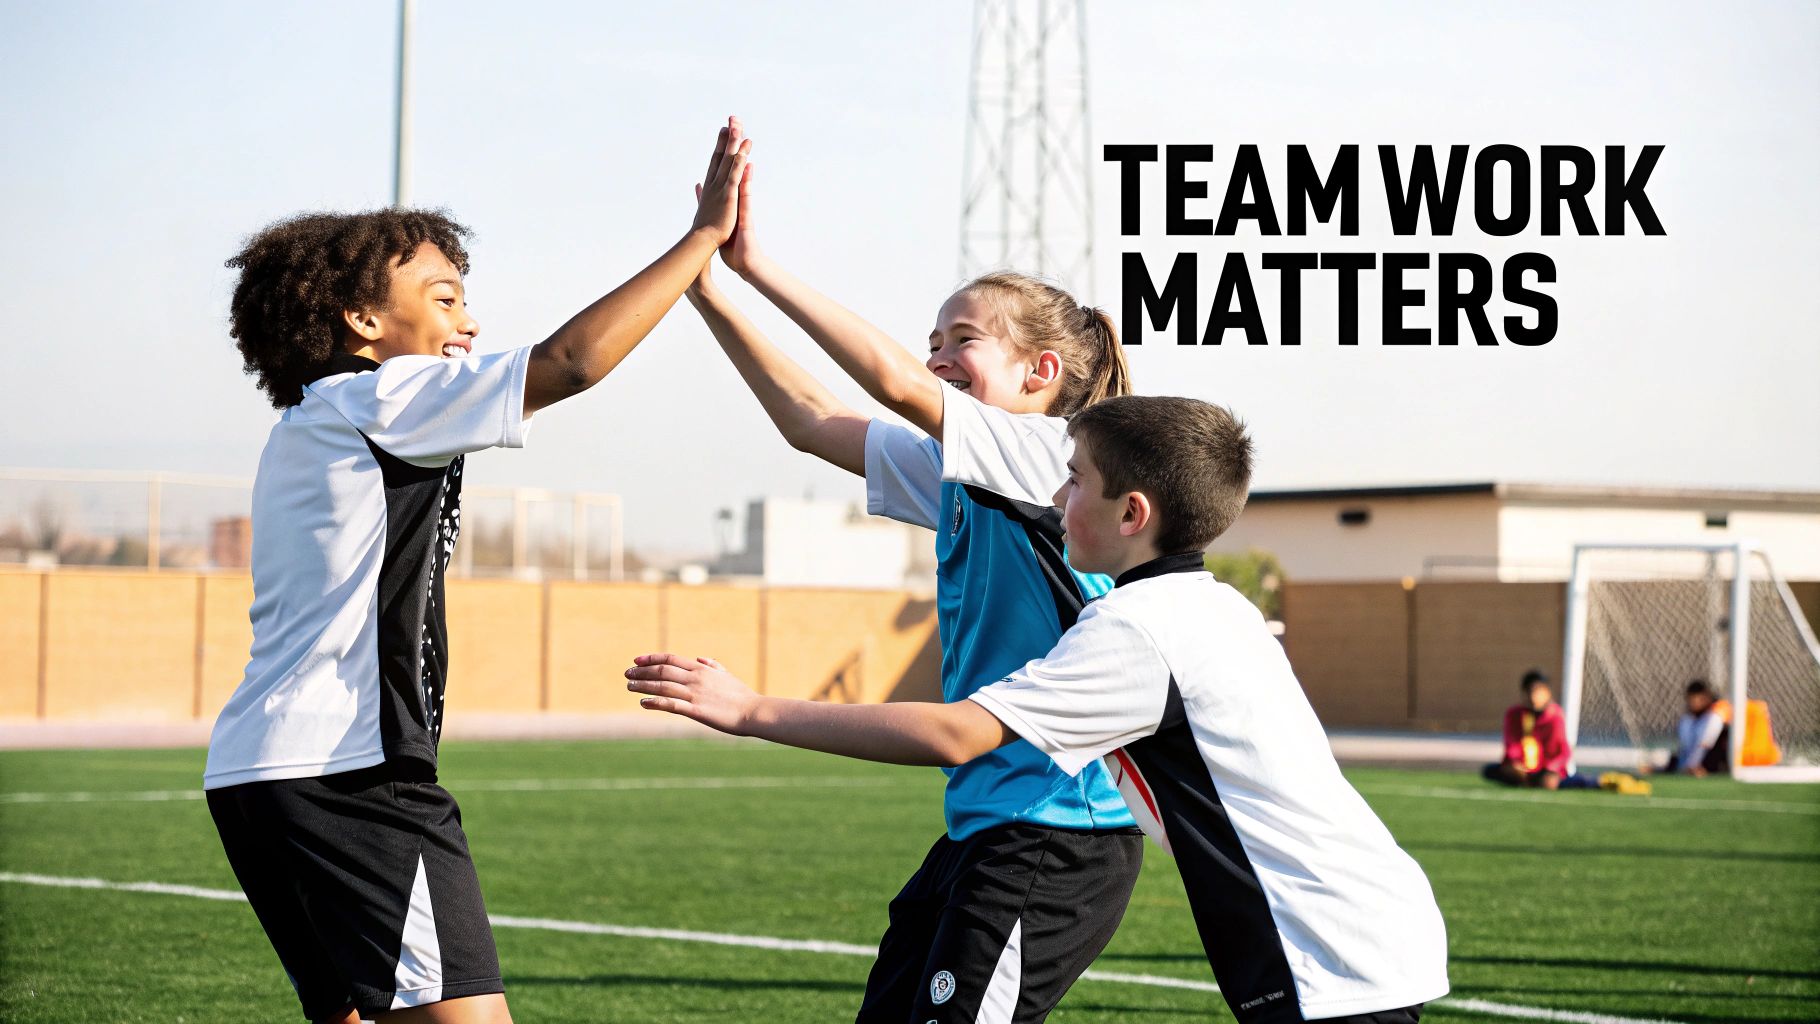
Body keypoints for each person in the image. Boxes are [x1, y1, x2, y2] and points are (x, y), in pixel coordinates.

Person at [628, 395, 1450, 1024]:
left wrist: (751, 710)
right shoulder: (1208, 603)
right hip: (1359, 928)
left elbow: (958, 734)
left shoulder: (1139, 629)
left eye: (1077, 479)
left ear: (1133, 514)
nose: (1057, 494)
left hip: (1322, 948)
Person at [202, 121, 750, 1024]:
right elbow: (571, 365)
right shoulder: (379, 394)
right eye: (446, 297)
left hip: (258, 776)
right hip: (350, 774)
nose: (470, 322)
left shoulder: (312, 421)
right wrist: (700, 242)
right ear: (363, 323)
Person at [681, 121, 1142, 1022]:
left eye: (960, 339)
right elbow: (812, 419)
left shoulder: (1048, 455)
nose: (935, 356)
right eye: (932, 338)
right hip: (986, 825)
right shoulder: (966, 467)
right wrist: (704, 287)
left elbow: (891, 383)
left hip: (1057, 832)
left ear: (1041, 372)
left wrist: (756, 264)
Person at [1483, 670, 1573, 788]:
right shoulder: (1515, 714)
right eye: (1530, 691)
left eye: (1538, 691)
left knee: (1549, 782)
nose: (1533, 696)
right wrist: (1516, 762)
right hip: (1523, 768)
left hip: (1546, 769)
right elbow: (1512, 743)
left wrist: (1550, 768)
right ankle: (1527, 781)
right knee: (1491, 770)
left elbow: (1564, 751)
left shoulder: (1555, 716)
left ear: (1547, 693)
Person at [1667, 679, 1730, 776]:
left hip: (1711, 763)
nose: (1695, 704)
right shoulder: (1686, 720)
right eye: (1692, 700)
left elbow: (1704, 746)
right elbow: (1684, 749)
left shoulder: (1714, 717)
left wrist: (1693, 766)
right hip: (1689, 765)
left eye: (1698, 700)